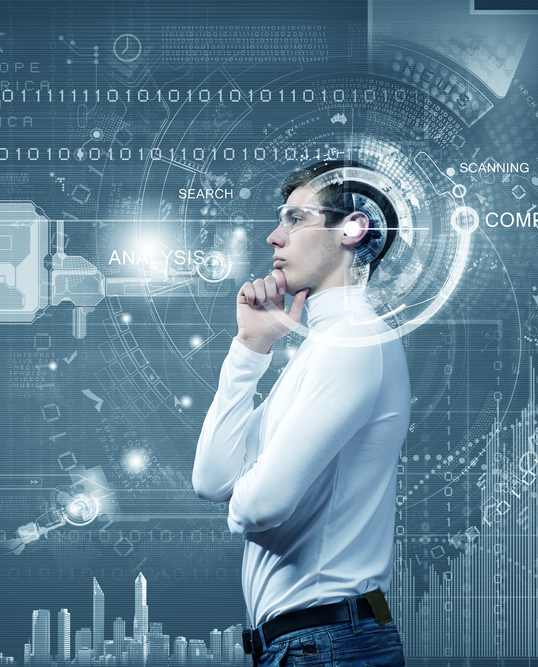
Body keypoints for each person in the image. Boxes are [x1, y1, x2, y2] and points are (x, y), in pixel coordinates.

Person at [192, 161, 411, 666]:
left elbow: (258, 507)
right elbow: (211, 480)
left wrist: (254, 483)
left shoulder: (354, 340)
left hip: (329, 645)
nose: (274, 237)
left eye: (295, 219)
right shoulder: (320, 349)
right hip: (313, 645)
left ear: (352, 230)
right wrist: (249, 350)